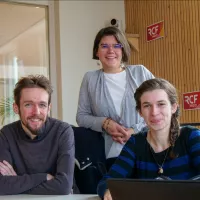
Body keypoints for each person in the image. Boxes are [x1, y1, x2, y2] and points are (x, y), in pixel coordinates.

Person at [97, 78, 200, 200]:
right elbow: (107, 182)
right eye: (147, 106)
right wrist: (108, 191)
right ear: (140, 112)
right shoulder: (135, 143)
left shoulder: (191, 136)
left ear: (173, 107)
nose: (154, 112)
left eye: (161, 104)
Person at [76, 26, 154, 170]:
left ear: (123, 49)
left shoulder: (140, 73)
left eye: (116, 45)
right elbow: (81, 116)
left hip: (147, 152)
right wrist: (105, 123)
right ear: (96, 51)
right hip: (109, 158)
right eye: (104, 46)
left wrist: (133, 131)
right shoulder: (90, 79)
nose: (110, 51)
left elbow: (160, 109)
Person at [0, 75, 75, 195]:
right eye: (28, 105)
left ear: (49, 108)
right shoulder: (7, 134)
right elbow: (2, 185)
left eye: (42, 105)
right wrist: (43, 177)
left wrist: (17, 184)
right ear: (16, 108)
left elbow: (64, 187)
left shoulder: (63, 131)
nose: (36, 112)